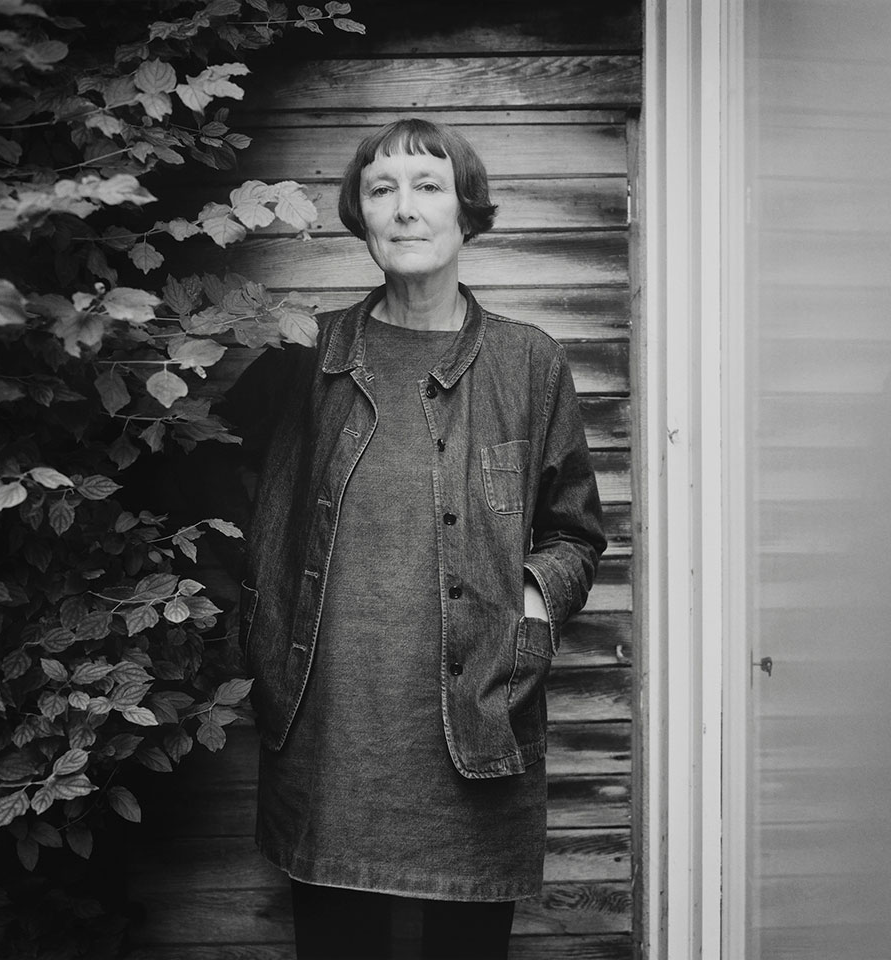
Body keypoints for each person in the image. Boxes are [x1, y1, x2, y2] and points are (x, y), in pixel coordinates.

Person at [219, 118, 607, 960]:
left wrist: (529, 611)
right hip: (327, 743)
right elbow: (199, 483)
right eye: (381, 189)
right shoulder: (302, 359)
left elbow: (575, 532)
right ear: (360, 217)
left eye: (429, 187)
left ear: (466, 213)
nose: (405, 209)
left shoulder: (529, 364)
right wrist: (250, 616)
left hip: (479, 730)